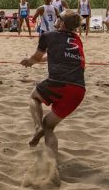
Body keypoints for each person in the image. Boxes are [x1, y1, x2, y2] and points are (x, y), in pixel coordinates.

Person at [21, 10, 86, 160]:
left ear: (62, 23)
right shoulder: (77, 39)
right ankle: (52, 165)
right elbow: (54, 54)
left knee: (34, 97)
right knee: (49, 127)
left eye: (58, 18)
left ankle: (37, 127)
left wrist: (29, 61)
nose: (56, 19)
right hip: (78, 90)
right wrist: (36, 61)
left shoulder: (48, 35)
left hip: (59, 82)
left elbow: (36, 57)